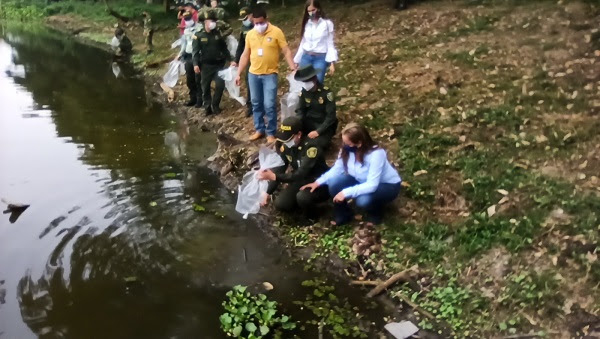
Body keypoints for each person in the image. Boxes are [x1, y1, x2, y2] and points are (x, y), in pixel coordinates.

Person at [301, 123, 402, 225]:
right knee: (334, 183)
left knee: (362, 200)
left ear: (359, 143)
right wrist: (318, 182)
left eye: (348, 144)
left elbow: (372, 185)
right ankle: (343, 214)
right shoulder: (347, 150)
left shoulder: (376, 154)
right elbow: (337, 169)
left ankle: (376, 212)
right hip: (361, 179)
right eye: (344, 142)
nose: (344, 146)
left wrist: (345, 192)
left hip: (386, 185)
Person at [235, 6, 297, 143]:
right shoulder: (250, 34)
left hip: (270, 74)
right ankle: (259, 129)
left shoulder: (276, 32)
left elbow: (286, 51)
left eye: (261, 23)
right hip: (253, 74)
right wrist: (238, 73)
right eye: (256, 23)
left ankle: (271, 132)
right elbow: (245, 54)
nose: (258, 26)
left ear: (266, 20)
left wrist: (292, 67)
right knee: (256, 103)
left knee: (269, 104)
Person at [256, 116, 330, 217]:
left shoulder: (311, 148)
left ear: (299, 134)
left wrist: (274, 177)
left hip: (318, 181)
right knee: (281, 204)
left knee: (302, 198)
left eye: (289, 138)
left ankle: (313, 215)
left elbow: (301, 173)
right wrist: (267, 192)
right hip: (300, 180)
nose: (286, 142)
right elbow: (280, 168)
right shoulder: (287, 147)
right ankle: (300, 207)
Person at [192, 13, 230, 115]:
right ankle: (207, 107)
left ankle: (215, 105)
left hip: (218, 65)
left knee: (220, 85)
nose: (212, 23)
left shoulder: (217, 34)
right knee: (205, 87)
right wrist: (195, 64)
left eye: (214, 21)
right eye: (210, 21)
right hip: (205, 65)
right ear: (205, 22)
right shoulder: (198, 35)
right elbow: (195, 52)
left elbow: (224, 48)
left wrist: (231, 60)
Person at [293, 0, 338, 84]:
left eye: (313, 10)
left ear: (318, 9)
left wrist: (332, 62)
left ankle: (316, 97)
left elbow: (330, 43)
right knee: (304, 84)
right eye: (309, 11)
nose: (311, 13)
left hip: (320, 58)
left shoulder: (327, 24)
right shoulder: (307, 24)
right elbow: (303, 43)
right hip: (306, 57)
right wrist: (296, 60)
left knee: (317, 83)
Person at [294, 65, 337, 149]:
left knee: (313, 146)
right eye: (304, 82)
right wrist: (296, 127)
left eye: (307, 81)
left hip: (323, 127)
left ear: (314, 79)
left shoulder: (326, 93)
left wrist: (318, 131)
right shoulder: (304, 92)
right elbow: (300, 111)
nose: (305, 84)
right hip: (308, 123)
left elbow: (331, 117)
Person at [175, 12, 202, 107]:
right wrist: (179, 54)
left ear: (192, 18)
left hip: (198, 55)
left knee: (198, 79)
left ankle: (200, 100)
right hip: (188, 55)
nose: (187, 21)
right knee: (190, 79)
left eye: (189, 19)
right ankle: (192, 98)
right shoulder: (186, 30)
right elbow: (184, 43)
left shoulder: (200, 28)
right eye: (186, 19)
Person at [232, 7, 253, 117]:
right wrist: (236, 60)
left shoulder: (258, 26)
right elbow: (241, 46)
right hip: (248, 58)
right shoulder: (244, 28)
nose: (245, 21)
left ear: (251, 15)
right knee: (249, 80)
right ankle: (250, 106)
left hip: (260, 59)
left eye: (246, 18)